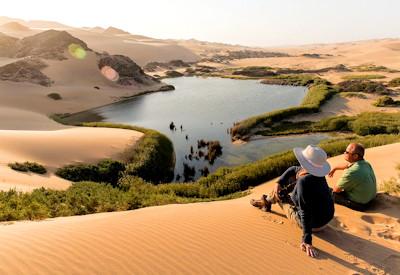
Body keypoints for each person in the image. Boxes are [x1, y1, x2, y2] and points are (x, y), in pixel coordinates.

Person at [250, 145, 334, 258]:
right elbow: (294, 169)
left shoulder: (303, 182)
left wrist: (307, 240)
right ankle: (267, 200)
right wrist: (278, 182)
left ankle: (266, 202)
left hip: (315, 225)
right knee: (284, 184)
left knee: (278, 194)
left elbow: (305, 212)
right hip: (325, 220)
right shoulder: (318, 175)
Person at [328, 143, 376, 211]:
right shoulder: (365, 164)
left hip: (360, 205)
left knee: (330, 193)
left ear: (355, 156)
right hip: (370, 200)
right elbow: (348, 165)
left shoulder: (352, 171)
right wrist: (335, 168)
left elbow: (336, 190)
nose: (344, 153)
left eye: (347, 152)